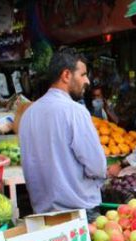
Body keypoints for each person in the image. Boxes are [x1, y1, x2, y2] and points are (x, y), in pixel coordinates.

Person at [19, 49, 107, 221]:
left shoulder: (29, 113)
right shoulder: (75, 111)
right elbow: (97, 165)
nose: (87, 81)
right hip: (79, 213)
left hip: (43, 215)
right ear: (66, 75)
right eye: (83, 74)